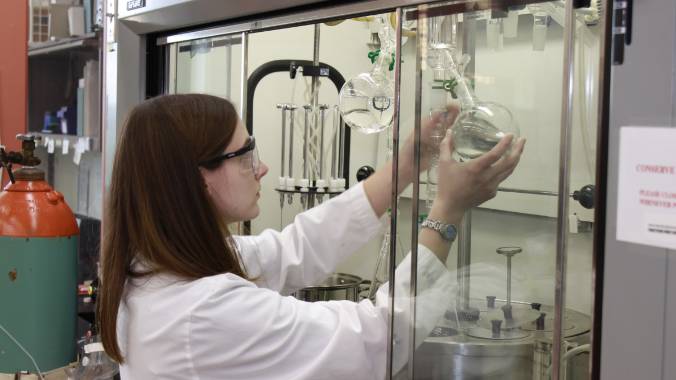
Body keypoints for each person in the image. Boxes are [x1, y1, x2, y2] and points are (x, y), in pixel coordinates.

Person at [97, 93, 525, 379]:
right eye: (247, 155)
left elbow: (292, 250)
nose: (261, 168)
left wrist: (406, 166)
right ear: (198, 179)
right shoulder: (203, 311)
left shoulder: (153, 267)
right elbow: (380, 339)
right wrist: (448, 211)